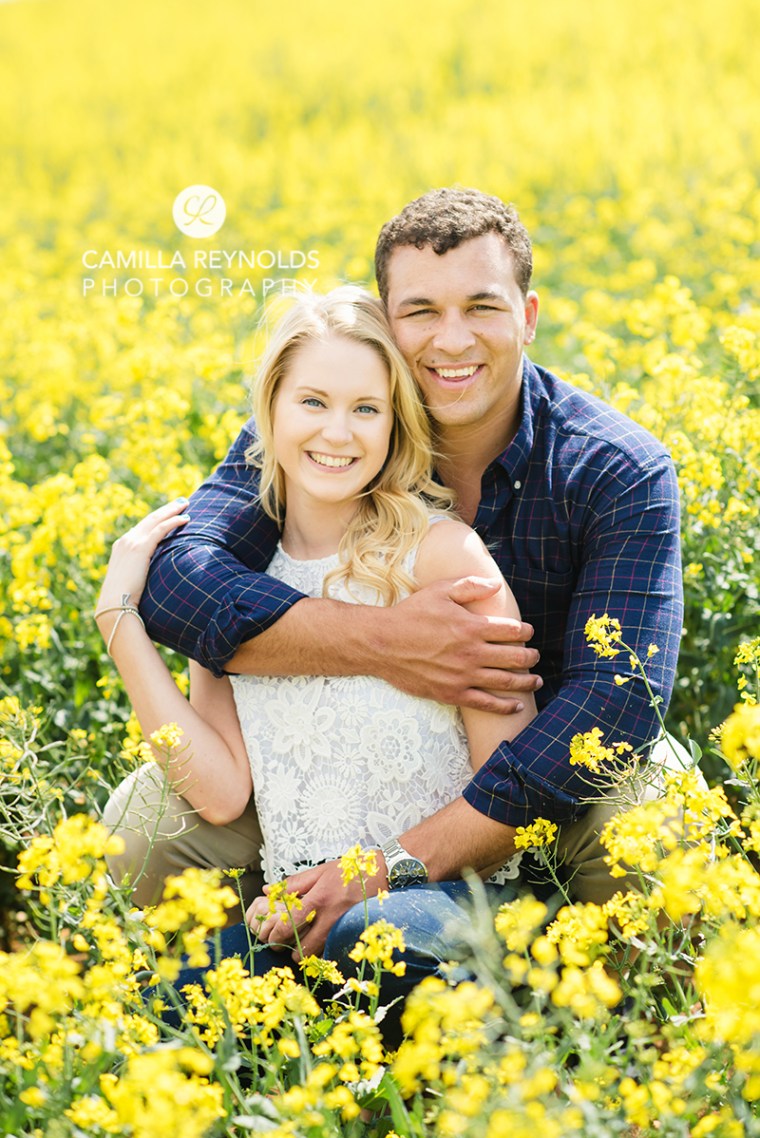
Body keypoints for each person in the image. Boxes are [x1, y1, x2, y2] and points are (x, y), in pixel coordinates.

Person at [106, 187, 684, 970]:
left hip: (540, 772)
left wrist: (391, 865)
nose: (452, 341)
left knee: (647, 806)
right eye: (420, 312)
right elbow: (184, 582)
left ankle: (621, 1033)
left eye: (481, 306)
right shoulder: (328, 430)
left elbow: (615, 710)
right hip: (346, 772)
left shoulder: (617, 468)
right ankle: (241, 1009)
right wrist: (388, 644)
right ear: (385, 321)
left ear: (530, 314)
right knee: (144, 821)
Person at [97, 287, 536, 1017]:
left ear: (396, 425)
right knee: (177, 1001)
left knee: (369, 937)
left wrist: (371, 876)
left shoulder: (442, 557)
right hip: (298, 916)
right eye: (313, 402)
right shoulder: (237, 584)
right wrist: (119, 620)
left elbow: (513, 796)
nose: (339, 433)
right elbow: (220, 789)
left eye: (366, 409)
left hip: (451, 898)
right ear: (267, 411)